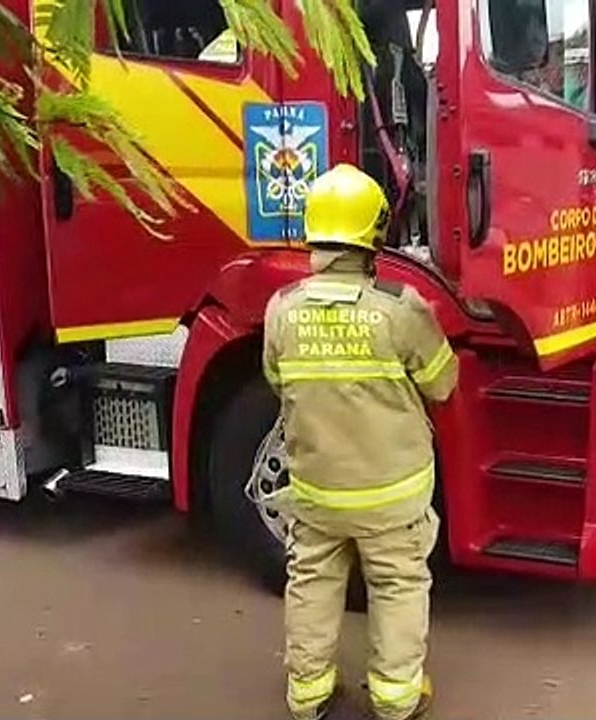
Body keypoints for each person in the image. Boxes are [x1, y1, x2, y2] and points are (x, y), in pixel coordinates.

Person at [262, 164, 459, 720]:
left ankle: (309, 694)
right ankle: (396, 699)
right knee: (397, 586)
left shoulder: (282, 310)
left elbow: (278, 382)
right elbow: (443, 384)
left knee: (311, 583)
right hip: (393, 496)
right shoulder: (401, 309)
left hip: (317, 490)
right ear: (374, 232)